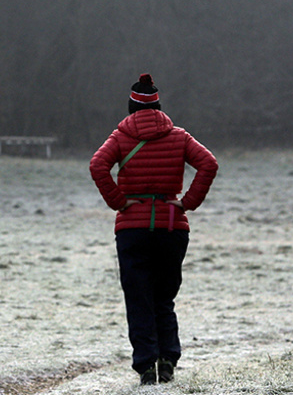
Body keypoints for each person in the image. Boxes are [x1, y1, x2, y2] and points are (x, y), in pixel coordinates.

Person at [90, 73, 218, 386]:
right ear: (159, 106)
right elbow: (209, 164)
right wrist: (186, 203)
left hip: (132, 228)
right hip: (171, 227)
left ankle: (146, 366)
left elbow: (97, 165)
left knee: (138, 298)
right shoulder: (179, 136)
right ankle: (168, 359)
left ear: (131, 108)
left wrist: (119, 202)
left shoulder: (120, 137)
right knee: (164, 297)